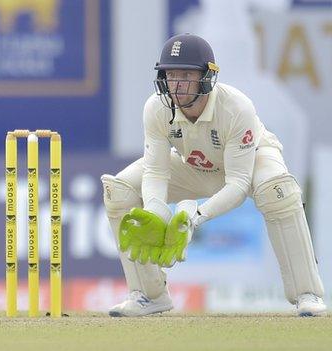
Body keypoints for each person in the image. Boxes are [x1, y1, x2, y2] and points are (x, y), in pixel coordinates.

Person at [101, 33, 326, 317]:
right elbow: (156, 170)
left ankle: (307, 293)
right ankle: (149, 295)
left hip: (251, 162)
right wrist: (157, 210)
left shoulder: (236, 107)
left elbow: (239, 183)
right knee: (119, 190)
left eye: (186, 75)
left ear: (207, 77)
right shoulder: (156, 108)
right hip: (196, 167)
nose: (177, 85)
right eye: (171, 75)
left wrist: (196, 217)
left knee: (276, 191)